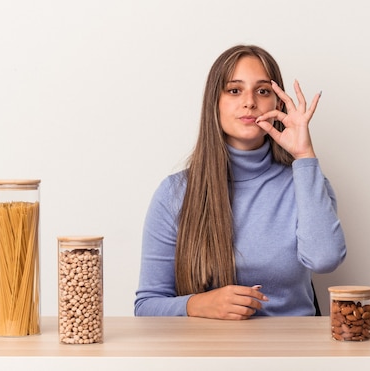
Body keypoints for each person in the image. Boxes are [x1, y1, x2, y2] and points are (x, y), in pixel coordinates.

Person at [134, 44, 346, 320]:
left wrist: (304, 155)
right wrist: (198, 305)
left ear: (278, 104)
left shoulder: (304, 180)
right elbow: (146, 307)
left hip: (293, 352)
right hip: (210, 355)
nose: (249, 102)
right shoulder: (175, 193)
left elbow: (325, 260)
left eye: (263, 91)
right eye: (234, 90)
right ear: (215, 102)